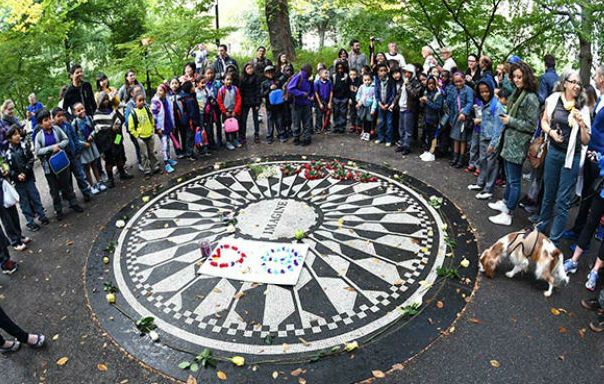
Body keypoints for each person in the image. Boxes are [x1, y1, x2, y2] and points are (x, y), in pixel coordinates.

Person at [536, 70, 591, 244]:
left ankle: (553, 242)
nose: (576, 86)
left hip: (571, 158)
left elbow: (585, 140)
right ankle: (541, 229)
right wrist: (551, 132)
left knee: (562, 201)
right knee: (548, 194)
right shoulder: (553, 100)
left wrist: (582, 125)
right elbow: (544, 121)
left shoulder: (583, 106)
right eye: (573, 82)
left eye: (579, 83)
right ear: (565, 83)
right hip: (553, 152)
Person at [488, 61, 540, 226]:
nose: (517, 80)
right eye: (515, 77)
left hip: (518, 144)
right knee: (510, 178)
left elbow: (532, 126)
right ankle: (505, 202)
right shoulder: (518, 92)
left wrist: (510, 120)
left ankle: (508, 213)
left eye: (520, 77)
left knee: (514, 180)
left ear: (527, 77)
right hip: (509, 141)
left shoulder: (531, 97)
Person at [34, 109, 84, 220]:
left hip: (62, 163)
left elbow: (66, 140)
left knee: (67, 184)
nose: (49, 122)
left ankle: (74, 203)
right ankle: (58, 210)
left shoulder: (56, 130)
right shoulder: (39, 136)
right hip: (49, 167)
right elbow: (37, 151)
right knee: (54, 190)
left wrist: (59, 146)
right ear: (40, 124)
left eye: (49, 119)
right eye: (45, 120)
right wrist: (51, 148)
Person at [5, 126, 49, 232]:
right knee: (24, 202)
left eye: (18, 134)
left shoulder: (24, 146)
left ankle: (41, 215)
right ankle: (30, 221)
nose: (18, 136)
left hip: (28, 178)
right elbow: (8, 169)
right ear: (10, 138)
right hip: (18, 182)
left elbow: (30, 159)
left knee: (35, 196)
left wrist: (25, 172)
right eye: (15, 135)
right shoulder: (8, 154)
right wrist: (16, 175)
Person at [467, 77, 505, 199]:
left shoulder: (497, 105)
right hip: (483, 136)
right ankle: (480, 183)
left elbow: (499, 126)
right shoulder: (484, 103)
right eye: (482, 91)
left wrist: (493, 144)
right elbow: (489, 121)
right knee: (482, 161)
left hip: (491, 139)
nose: (484, 94)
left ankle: (489, 189)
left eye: (486, 91)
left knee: (492, 164)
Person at [52, 107, 94, 201]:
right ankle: (71, 199)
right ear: (53, 118)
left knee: (80, 175)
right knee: (67, 180)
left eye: (62, 115)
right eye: (58, 116)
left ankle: (87, 193)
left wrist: (78, 150)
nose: (61, 118)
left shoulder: (67, 125)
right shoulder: (53, 129)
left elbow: (74, 138)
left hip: (73, 154)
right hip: (63, 158)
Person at [93, 93, 132, 186]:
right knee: (109, 159)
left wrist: (116, 127)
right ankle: (110, 179)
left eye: (107, 99)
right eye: (104, 99)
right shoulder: (97, 114)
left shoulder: (110, 110)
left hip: (117, 136)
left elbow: (117, 120)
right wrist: (111, 128)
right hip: (106, 141)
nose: (106, 101)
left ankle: (122, 173)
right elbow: (99, 129)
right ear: (100, 101)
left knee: (119, 155)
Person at [73, 103, 105, 195]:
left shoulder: (89, 118)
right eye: (78, 110)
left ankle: (98, 182)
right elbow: (75, 138)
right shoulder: (75, 123)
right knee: (87, 167)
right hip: (84, 148)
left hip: (91, 144)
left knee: (94, 164)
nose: (81, 111)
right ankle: (91, 185)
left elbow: (95, 128)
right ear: (75, 113)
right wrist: (83, 144)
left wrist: (92, 135)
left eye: (82, 109)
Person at [127, 93, 160, 176]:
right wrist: (137, 136)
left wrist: (152, 128)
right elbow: (131, 127)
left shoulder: (147, 110)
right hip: (141, 137)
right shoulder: (133, 113)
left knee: (151, 152)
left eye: (143, 100)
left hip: (149, 134)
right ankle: (147, 169)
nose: (142, 102)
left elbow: (151, 118)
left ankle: (155, 166)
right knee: (144, 154)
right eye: (139, 100)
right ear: (135, 102)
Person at [446, 72, 474, 168]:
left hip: (464, 117)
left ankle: (461, 159)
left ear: (464, 80)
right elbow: (450, 103)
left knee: (462, 139)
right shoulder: (454, 90)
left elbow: (470, 103)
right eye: (456, 82)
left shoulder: (468, 90)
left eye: (460, 81)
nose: (458, 84)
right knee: (455, 138)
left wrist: (464, 112)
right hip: (455, 117)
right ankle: (455, 157)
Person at [394, 64, 423, 154]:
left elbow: (415, 94)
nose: (406, 74)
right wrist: (393, 103)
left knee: (408, 129)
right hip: (401, 107)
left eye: (409, 72)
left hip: (409, 108)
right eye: (405, 72)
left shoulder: (415, 83)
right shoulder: (404, 81)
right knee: (401, 128)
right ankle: (402, 144)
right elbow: (399, 93)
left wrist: (408, 85)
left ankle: (407, 146)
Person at [151, 84, 179, 172]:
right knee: (164, 145)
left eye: (161, 90)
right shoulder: (155, 101)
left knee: (167, 142)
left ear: (165, 92)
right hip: (161, 127)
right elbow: (154, 116)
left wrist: (173, 125)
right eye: (158, 90)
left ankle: (169, 158)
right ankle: (166, 162)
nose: (159, 92)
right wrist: (157, 127)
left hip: (168, 124)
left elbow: (171, 112)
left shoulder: (167, 99)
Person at [288, 64, 314, 146]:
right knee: (296, 122)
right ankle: (296, 138)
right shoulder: (298, 77)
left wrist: (312, 96)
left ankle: (307, 138)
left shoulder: (309, 79)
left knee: (307, 122)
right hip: (297, 104)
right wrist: (302, 94)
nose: (311, 72)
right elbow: (290, 88)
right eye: (310, 71)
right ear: (307, 71)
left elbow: (312, 90)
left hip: (307, 104)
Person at [419, 75, 443, 162]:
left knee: (434, 136)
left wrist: (427, 101)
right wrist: (422, 101)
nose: (431, 85)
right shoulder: (426, 92)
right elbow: (422, 106)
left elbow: (438, 107)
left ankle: (432, 153)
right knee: (428, 136)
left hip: (435, 119)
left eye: (433, 83)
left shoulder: (438, 94)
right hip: (427, 117)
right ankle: (428, 150)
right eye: (429, 84)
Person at [260, 66, 287, 143]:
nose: (270, 74)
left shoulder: (278, 81)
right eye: (268, 72)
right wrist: (269, 89)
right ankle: (269, 136)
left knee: (279, 119)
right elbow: (262, 94)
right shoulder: (264, 83)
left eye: (272, 72)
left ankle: (281, 134)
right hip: (269, 105)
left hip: (279, 104)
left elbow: (283, 90)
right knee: (270, 120)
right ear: (265, 74)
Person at [178, 81, 203, 157]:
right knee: (190, 136)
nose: (194, 87)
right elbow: (193, 113)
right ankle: (190, 153)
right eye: (192, 86)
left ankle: (191, 151)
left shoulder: (186, 97)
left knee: (190, 136)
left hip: (188, 121)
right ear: (189, 89)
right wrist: (197, 123)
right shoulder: (190, 100)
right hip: (191, 122)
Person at [217, 74, 242, 150]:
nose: (229, 81)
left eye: (230, 79)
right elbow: (220, 102)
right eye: (227, 79)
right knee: (227, 127)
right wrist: (224, 112)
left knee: (234, 126)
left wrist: (235, 110)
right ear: (223, 81)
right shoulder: (221, 90)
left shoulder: (235, 89)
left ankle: (234, 139)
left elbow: (238, 100)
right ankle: (228, 141)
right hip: (226, 112)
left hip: (234, 111)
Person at [239, 62, 262, 143]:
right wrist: (240, 103)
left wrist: (258, 103)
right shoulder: (242, 78)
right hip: (245, 101)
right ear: (244, 70)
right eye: (248, 68)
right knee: (243, 119)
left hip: (254, 100)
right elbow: (240, 92)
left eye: (251, 68)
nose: (250, 70)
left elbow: (258, 91)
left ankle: (256, 134)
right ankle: (242, 136)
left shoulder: (256, 77)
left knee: (256, 119)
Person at [374, 64, 396, 146]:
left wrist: (387, 104)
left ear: (387, 71)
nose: (383, 72)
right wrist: (379, 103)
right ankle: (380, 137)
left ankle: (388, 139)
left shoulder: (391, 81)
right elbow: (376, 93)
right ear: (378, 72)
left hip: (388, 106)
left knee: (389, 123)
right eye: (381, 71)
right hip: (380, 105)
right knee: (381, 122)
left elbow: (393, 94)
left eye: (384, 70)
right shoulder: (377, 81)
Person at [203, 69, 223, 148]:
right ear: (204, 74)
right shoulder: (203, 84)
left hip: (217, 106)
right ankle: (211, 141)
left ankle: (219, 140)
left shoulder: (218, 84)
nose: (210, 75)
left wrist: (216, 101)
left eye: (211, 73)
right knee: (209, 125)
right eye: (208, 73)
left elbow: (221, 94)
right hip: (208, 108)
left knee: (218, 123)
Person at [356, 73, 378, 139]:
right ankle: (364, 132)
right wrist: (359, 101)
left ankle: (368, 133)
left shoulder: (373, 88)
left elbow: (375, 99)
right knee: (363, 119)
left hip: (369, 107)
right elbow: (358, 95)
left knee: (369, 120)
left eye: (368, 80)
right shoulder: (361, 87)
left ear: (371, 80)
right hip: (363, 106)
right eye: (365, 80)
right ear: (363, 80)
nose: (367, 81)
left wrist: (373, 109)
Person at [331, 62, 350, 134]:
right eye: (338, 68)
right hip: (335, 97)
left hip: (344, 97)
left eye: (341, 68)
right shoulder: (333, 76)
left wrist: (348, 97)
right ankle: (336, 126)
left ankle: (342, 127)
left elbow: (348, 86)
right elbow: (331, 87)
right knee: (336, 112)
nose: (340, 69)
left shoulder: (346, 76)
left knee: (343, 112)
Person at [314, 68, 334, 133]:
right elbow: (316, 93)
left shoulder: (329, 82)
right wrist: (319, 103)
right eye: (325, 73)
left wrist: (330, 102)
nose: (326, 74)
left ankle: (327, 127)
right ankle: (318, 128)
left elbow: (331, 92)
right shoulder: (317, 83)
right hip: (320, 101)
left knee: (327, 115)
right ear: (320, 75)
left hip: (327, 101)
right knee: (319, 115)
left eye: (327, 73)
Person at [348, 68, 362, 133]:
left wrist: (360, 100)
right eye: (351, 75)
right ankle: (353, 125)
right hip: (352, 100)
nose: (352, 76)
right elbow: (347, 91)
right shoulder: (349, 81)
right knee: (352, 113)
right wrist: (349, 98)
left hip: (358, 100)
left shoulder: (359, 81)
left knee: (358, 114)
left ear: (356, 75)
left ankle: (359, 126)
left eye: (354, 75)